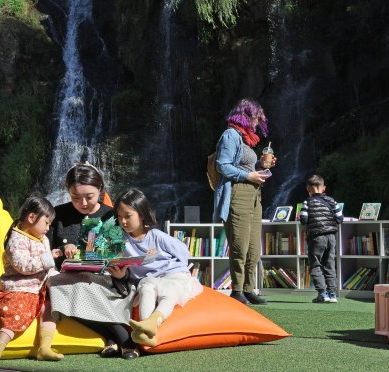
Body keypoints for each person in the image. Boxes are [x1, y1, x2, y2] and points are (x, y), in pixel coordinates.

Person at [47, 162, 140, 359]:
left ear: (100, 189)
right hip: (68, 281)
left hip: (106, 279)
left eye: (89, 196)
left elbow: (123, 253)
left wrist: (122, 273)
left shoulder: (112, 216)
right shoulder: (57, 215)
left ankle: (112, 340)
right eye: (75, 197)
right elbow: (43, 252)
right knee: (67, 286)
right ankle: (121, 338)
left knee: (88, 287)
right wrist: (62, 251)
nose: (83, 203)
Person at [110, 188, 203, 347]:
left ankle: (153, 322)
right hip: (150, 279)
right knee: (146, 288)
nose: (123, 221)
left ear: (141, 214)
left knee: (169, 291)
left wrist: (179, 269)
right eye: (119, 217)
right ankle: (145, 331)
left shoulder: (156, 235)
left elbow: (182, 251)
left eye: (128, 216)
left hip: (172, 274)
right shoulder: (121, 240)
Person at [0, 195, 64, 366]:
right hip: (21, 287)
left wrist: (55, 274)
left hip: (40, 286)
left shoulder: (43, 239)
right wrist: (48, 258)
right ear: (32, 217)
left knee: (50, 309)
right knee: (17, 315)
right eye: (47, 223)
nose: (49, 228)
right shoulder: (16, 240)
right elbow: (23, 266)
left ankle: (44, 348)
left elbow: (47, 267)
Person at [212, 98, 274, 305]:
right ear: (246, 115)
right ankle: (236, 289)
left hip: (255, 196)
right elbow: (222, 165)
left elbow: (246, 167)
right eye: (256, 117)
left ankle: (249, 289)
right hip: (238, 193)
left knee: (254, 247)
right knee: (240, 245)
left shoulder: (247, 140)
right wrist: (249, 176)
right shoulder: (230, 135)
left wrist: (261, 165)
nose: (258, 122)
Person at [299, 174, 343, 303]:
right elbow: (340, 218)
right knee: (330, 264)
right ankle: (332, 294)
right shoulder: (332, 201)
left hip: (316, 237)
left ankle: (322, 294)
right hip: (331, 237)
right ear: (323, 188)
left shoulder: (307, 202)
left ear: (308, 188)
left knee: (315, 264)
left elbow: (304, 219)